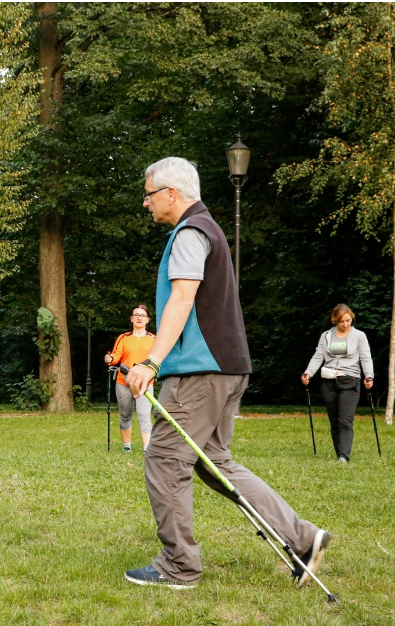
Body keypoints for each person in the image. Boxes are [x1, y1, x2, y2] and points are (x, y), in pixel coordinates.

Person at [123, 157, 329, 589]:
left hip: (202, 371)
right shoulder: (208, 229)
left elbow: (181, 300)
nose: (145, 203)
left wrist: (150, 361)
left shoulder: (190, 232)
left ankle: (178, 567)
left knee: (164, 458)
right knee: (213, 462)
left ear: (170, 194)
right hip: (227, 368)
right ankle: (303, 537)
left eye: (148, 195)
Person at [302, 304, 374, 463]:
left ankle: (344, 456)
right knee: (334, 421)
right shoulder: (326, 336)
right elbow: (318, 357)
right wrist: (308, 373)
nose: (346, 324)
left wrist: (369, 376)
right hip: (328, 381)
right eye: (342, 321)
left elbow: (365, 358)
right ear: (335, 320)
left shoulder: (359, 336)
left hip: (350, 380)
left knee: (344, 420)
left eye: (348, 320)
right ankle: (339, 453)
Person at [105, 305, 156, 453]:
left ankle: (147, 449)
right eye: (136, 315)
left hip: (144, 383)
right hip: (123, 381)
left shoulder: (153, 339)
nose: (139, 318)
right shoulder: (124, 338)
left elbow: (157, 360)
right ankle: (127, 447)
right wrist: (110, 358)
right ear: (131, 318)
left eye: (142, 315)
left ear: (147, 319)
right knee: (125, 415)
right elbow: (116, 356)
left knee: (144, 414)